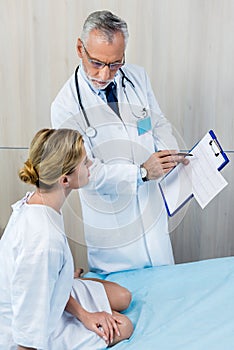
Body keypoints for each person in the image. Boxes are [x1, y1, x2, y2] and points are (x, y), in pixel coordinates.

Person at [51, 10, 189, 274]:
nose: (105, 75)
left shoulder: (137, 78)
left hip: (152, 214)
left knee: (165, 292)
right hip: (113, 230)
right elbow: (85, 172)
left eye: (115, 64)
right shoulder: (65, 106)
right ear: (80, 48)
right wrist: (142, 172)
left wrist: (167, 151)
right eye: (97, 63)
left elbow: (157, 123)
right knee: (125, 302)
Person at [0, 128, 133, 350]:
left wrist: (85, 315)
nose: (90, 165)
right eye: (84, 163)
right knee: (124, 326)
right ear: (64, 179)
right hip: (29, 327)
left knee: (123, 297)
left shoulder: (35, 203)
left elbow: (33, 278)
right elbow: (27, 330)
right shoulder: (44, 242)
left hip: (44, 292)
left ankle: (60, 280)